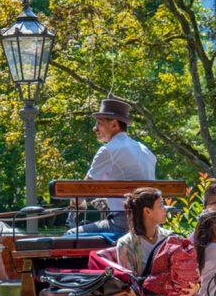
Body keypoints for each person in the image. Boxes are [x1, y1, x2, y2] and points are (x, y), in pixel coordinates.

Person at [66, 98, 156, 236]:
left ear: (114, 124)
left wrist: (77, 203)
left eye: (99, 123)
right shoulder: (146, 150)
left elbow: (85, 188)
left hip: (124, 223)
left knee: (71, 234)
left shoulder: (108, 150)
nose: (95, 128)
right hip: (150, 222)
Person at [115, 188, 201, 296]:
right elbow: (129, 285)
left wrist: (192, 288)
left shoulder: (172, 238)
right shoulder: (126, 244)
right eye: (160, 205)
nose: (165, 209)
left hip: (175, 294)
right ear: (147, 211)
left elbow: (189, 270)